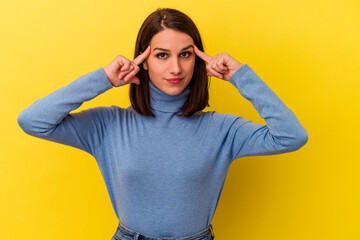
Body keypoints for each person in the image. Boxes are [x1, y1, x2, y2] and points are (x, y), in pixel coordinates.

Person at [17, 8, 308, 240]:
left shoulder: (222, 129)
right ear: (143, 60)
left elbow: (291, 136)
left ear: (197, 60)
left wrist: (241, 76)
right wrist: (104, 79)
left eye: (186, 54)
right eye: (161, 55)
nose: (175, 68)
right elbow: (33, 121)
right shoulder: (108, 125)